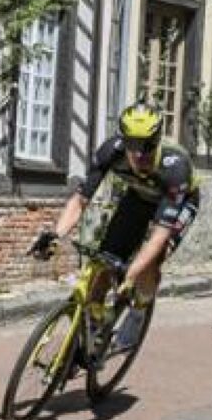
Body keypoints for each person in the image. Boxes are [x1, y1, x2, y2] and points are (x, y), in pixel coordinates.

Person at [31, 101, 199, 309]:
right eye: (133, 144)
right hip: (139, 197)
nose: (139, 154)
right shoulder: (111, 152)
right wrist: (56, 235)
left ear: (157, 140)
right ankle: (94, 319)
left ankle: (140, 309)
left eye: (147, 145)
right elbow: (80, 200)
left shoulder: (175, 167)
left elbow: (159, 236)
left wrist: (132, 274)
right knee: (106, 261)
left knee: (152, 260)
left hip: (181, 202)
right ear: (123, 140)